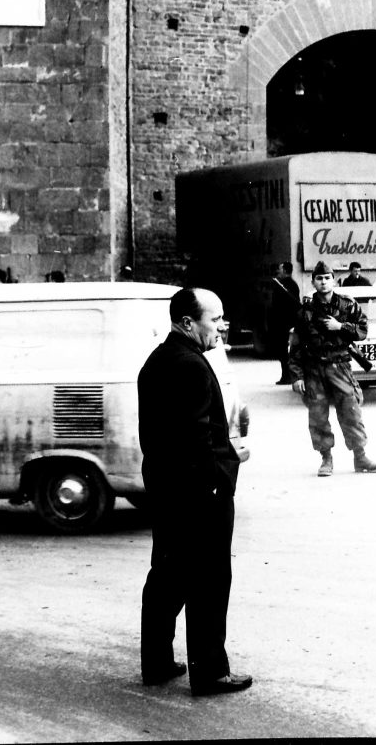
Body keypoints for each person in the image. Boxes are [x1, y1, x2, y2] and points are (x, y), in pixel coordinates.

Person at [138, 287, 252, 696]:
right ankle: (210, 673)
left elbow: (163, 437)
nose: (222, 325)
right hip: (200, 496)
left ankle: (156, 662)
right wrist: (222, 477)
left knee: (167, 577)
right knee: (208, 583)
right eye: (214, 318)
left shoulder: (156, 361)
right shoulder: (191, 366)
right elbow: (196, 440)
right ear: (188, 322)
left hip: (167, 491)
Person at [288, 260, 376, 476]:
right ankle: (326, 459)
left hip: (340, 366)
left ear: (334, 280)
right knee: (318, 415)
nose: (323, 282)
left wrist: (340, 326)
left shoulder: (347, 305)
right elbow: (296, 347)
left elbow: (363, 330)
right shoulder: (305, 312)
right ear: (313, 282)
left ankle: (360, 457)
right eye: (319, 279)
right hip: (314, 369)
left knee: (351, 411)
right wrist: (296, 376)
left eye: (327, 278)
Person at [268, 261, 301, 385]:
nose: (278, 271)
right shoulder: (291, 284)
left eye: (280, 269)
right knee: (284, 351)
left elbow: (282, 306)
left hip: (284, 323)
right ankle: (286, 375)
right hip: (287, 322)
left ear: (286, 271)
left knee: (283, 352)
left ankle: (287, 376)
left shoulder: (285, 285)